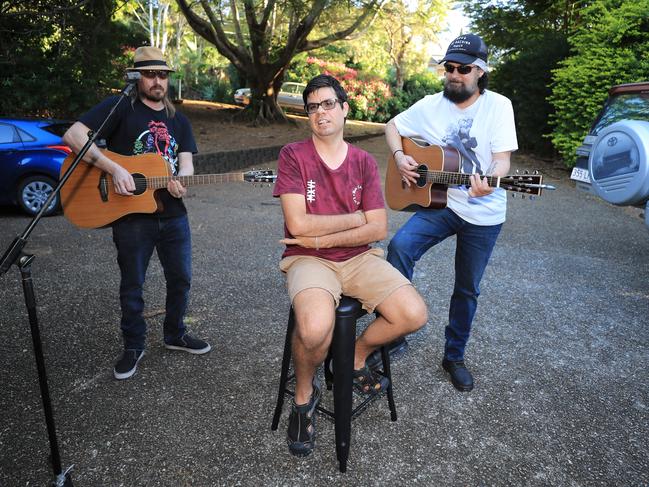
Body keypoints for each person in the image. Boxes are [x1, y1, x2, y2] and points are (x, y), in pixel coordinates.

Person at [273, 74, 428, 457]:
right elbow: (298, 226)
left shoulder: (362, 161)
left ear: (344, 109)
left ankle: (355, 355)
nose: (320, 112)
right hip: (307, 259)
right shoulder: (293, 155)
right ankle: (304, 397)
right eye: (312, 107)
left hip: (359, 258)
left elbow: (378, 226)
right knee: (313, 329)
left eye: (328, 104)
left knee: (413, 314)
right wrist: (353, 220)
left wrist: (323, 236)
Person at [63, 46, 211, 380]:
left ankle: (175, 334)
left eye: (163, 75)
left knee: (181, 279)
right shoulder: (122, 108)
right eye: (150, 74)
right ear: (137, 77)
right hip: (130, 215)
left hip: (172, 213)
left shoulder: (179, 120)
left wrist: (181, 183)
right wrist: (113, 169)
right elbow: (74, 135)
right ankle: (133, 345)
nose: (158, 81)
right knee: (133, 284)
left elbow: (186, 165)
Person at [385, 34, 518, 392]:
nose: (454, 75)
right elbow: (392, 126)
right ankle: (395, 329)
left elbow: (503, 160)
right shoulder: (431, 104)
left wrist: (492, 181)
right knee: (399, 247)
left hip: (484, 213)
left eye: (464, 68)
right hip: (442, 205)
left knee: (467, 289)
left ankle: (454, 356)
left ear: (481, 71)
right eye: (449, 68)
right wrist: (400, 158)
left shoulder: (499, 106)